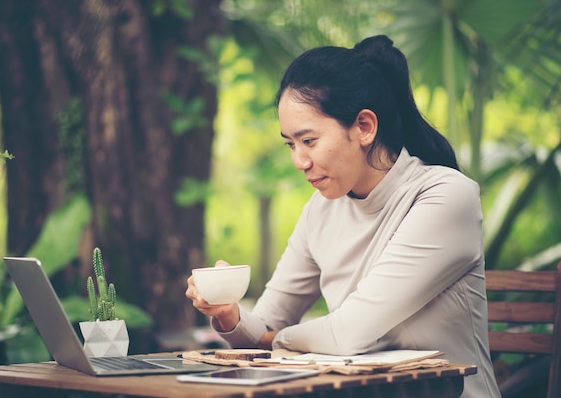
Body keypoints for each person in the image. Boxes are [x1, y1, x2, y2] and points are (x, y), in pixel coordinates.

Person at [185, 35, 501, 397]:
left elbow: (347, 333)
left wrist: (275, 339)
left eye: (309, 141)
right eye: (290, 144)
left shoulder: (444, 196)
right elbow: (265, 325)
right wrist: (229, 314)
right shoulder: (321, 209)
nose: (299, 162)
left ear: (364, 127)